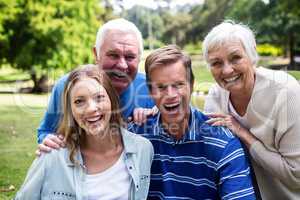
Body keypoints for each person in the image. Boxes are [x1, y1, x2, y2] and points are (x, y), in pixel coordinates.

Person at [128, 45, 256, 199]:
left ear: (191, 85)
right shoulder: (136, 136)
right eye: (160, 87)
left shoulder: (223, 143)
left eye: (178, 85)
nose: (170, 95)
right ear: (150, 91)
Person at [15, 65, 154, 200]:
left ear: (111, 100)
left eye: (99, 97)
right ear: (71, 110)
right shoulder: (52, 155)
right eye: (79, 101)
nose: (91, 109)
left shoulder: (142, 150)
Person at [203, 20, 300, 199]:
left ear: (251, 53)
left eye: (236, 58)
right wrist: (160, 113)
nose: (226, 70)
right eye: (216, 63)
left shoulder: (286, 92)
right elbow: (206, 152)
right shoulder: (216, 95)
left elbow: (296, 176)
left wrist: (243, 133)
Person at [37, 18, 155, 151]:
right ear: (96, 54)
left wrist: (151, 116)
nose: (122, 65)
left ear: (139, 57)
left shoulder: (152, 88)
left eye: (130, 57)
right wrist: (48, 140)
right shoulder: (67, 86)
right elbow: (46, 131)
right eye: (113, 55)